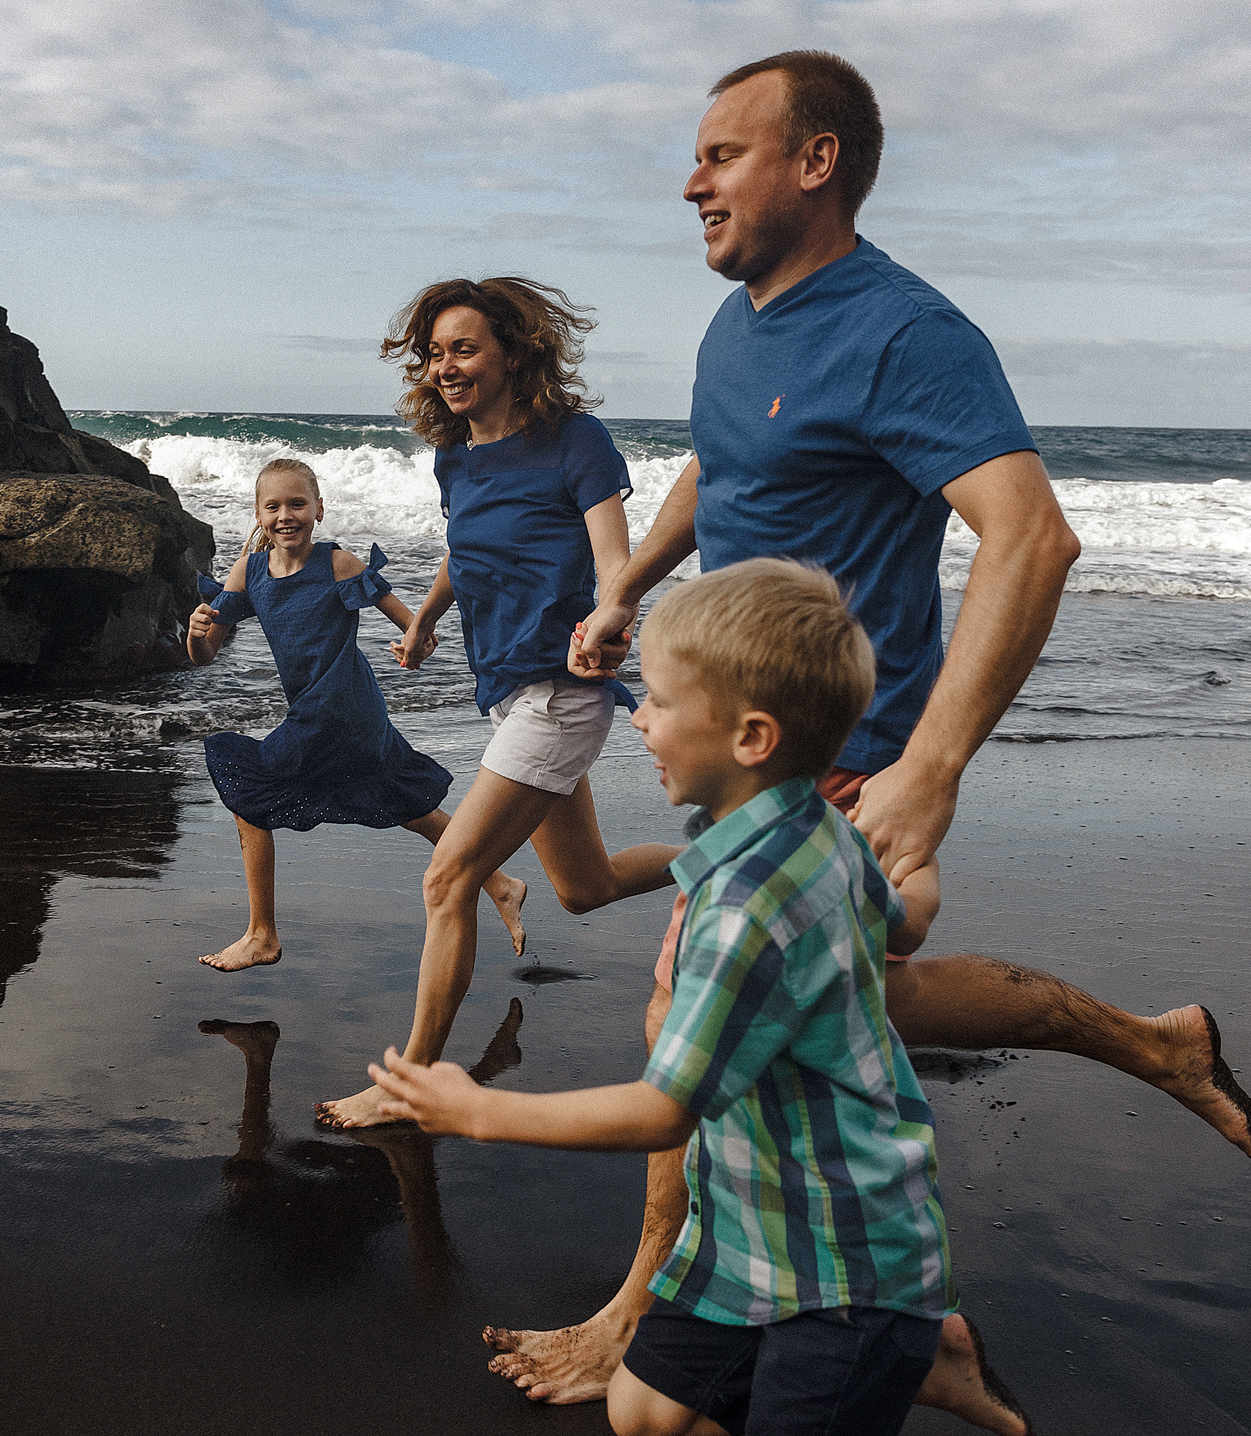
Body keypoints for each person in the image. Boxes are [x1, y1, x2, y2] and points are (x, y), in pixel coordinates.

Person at [482, 50, 1251, 1429]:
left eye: (722, 153)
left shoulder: (906, 333)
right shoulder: (740, 330)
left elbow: (1033, 535)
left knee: (693, 1015)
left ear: (816, 161)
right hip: (746, 754)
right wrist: (629, 585)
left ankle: (646, 1310)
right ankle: (1146, 1059)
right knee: (845, 1011)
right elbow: (724, 465)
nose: (692, 180)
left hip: (837, 759)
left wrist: (928, 771)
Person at [375, 559, 957, 1436]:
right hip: (752, 1225)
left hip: (844, 1265)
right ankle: (921, 1363)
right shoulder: (818, 822)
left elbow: (663, 1112)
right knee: (641, 1410)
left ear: (751, 738)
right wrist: (922, 885)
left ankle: (913, 1356)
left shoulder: (745, 905)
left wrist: (477, 1110)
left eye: (658, 701)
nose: (636, 717)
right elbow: (901, 926)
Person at [310, 278, 683, 1129]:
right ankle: (732, 854)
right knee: (584, 887)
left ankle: (411, 1084)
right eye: (436, 352)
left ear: (514, 353)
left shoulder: (573, 442)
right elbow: (463, 549)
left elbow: (612, 556)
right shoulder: (456, 456)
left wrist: (612, 614)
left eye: (465, 348)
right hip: (507, 690)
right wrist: (428, 620)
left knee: (450, 880)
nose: (446, 366)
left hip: (561, 691)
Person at [187, 456, 527, 971]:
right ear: (258, 514)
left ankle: (262, 933)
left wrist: (417, 645)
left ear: (319, 509)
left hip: (341, 707)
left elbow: (416, 625)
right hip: (331, 712)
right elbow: (205, 654)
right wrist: (193, 634)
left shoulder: (337, 564)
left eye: (298, 503)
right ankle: (499, 882)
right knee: (400, 803)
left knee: (245, 783)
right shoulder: (250, 573)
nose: (286, 515)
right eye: (273, 506)